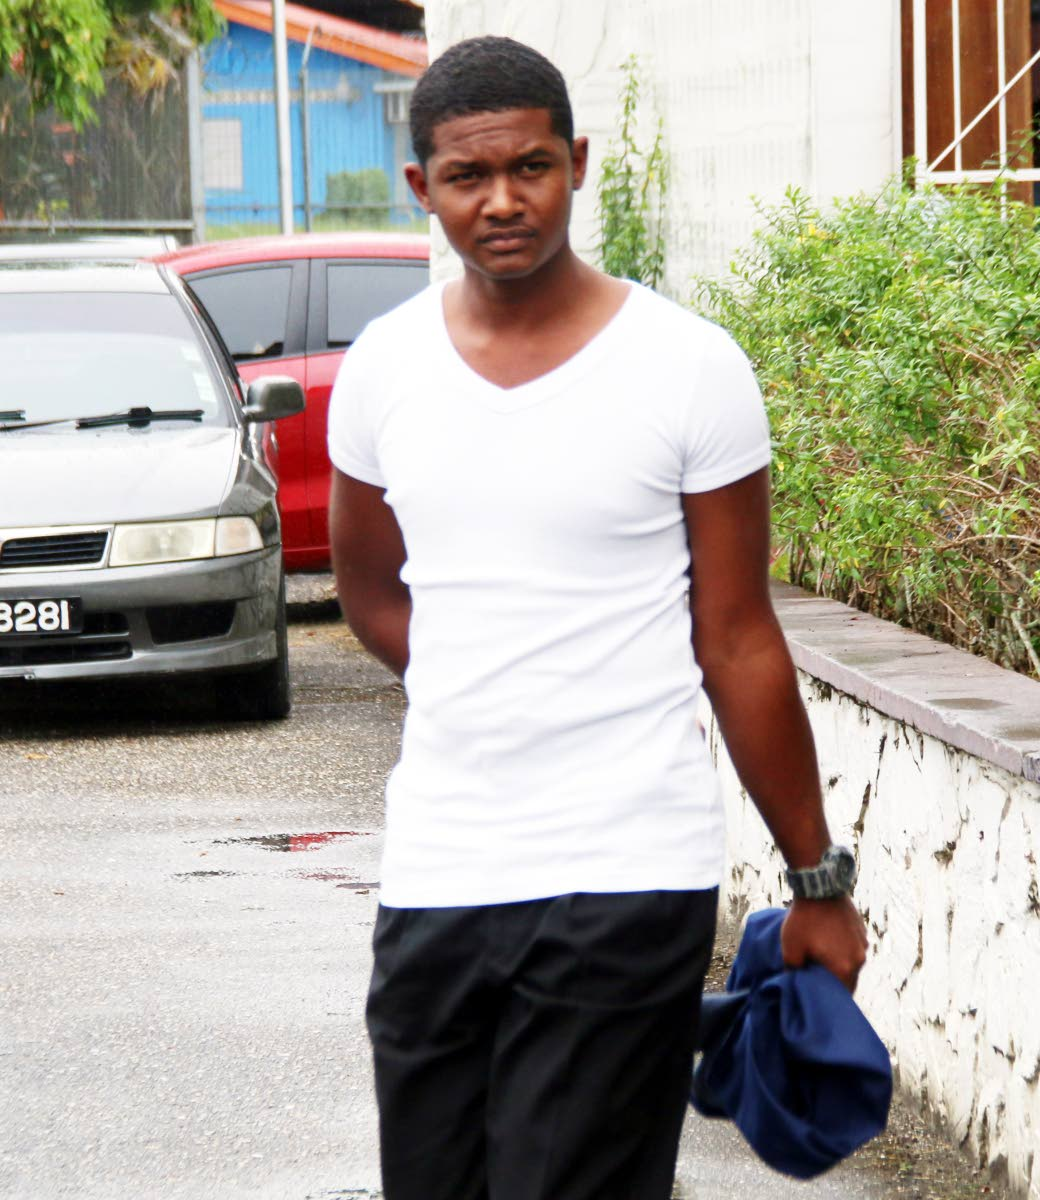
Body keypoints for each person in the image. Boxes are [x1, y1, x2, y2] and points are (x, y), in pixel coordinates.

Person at [326, 34, 867, 1200]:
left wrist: (814, 880)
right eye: (467, 176)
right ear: (421, 186)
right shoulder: (383, 368)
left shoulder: (686, 367)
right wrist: (490, 674)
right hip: (436, 867)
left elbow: (738, 638)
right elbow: (368, 590)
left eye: (529, 167)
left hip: (624, 867)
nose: (501, 200)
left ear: (575, 163)